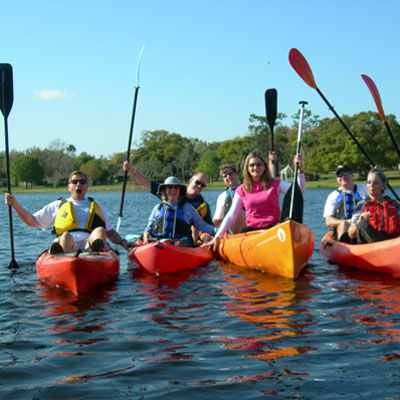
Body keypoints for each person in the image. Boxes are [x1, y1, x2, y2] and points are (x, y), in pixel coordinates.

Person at [4, 170, 135, 254]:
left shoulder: (96, 205)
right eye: (75, 182)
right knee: (66, 235)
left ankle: (97, 253)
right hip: (67, 243)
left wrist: (123, 242)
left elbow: (110, 232)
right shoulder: (59, 205)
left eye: (82, 182)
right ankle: (64, 259)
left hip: (89, 244)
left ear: (86, 186)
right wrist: (15, 204)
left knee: (100, 230)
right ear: (69, 187)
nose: (79, 184)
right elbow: (32, 221)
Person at [205, 149, 305, 250]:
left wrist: (300, 170)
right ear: (247, 168)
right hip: (251, 230)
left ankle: (293, 231)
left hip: (273, 229)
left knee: (294, 194)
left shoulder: (275, 184)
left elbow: (298, 192)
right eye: (252, 165)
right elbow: (231, 215)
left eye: (258, 164)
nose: (255, 168)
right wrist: (217, 236)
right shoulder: (242, 189)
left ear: (264, 166)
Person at [123, 161, 213, 242]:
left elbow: (205, 226)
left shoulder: (200, 206)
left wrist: (220, 232)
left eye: (203, 185)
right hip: (161, 242)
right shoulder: (159, 206)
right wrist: (132, 170)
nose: (199, 186)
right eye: (197, 182)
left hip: (183, 243)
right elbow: (147, 183)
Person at [143, 176, 217, 246]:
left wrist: (219, 231)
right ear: (165, 190)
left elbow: (202, 225)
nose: (173, 190)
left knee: (181, 243)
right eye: (169, 187)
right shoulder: (158, 208)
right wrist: (146, 233)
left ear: (180, 190)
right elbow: (149, 227)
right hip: (160, 243)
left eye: (176, 187)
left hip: (181, 245)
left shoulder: (187, 208)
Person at [348, 168, 400, 244]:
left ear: (384, 185)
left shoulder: (394, 203)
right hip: (370, 245)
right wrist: (359, 222)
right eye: (369, 182)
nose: (371, 185)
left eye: (375, 182)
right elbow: (351, 234)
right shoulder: (361, 204)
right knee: (362, 224)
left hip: (391, 242)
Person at [323, 164, 368, 243]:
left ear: (352, 175)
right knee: (343, 224)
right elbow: (328, 221)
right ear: (337, 179)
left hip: (362, 225)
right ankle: (344, 245)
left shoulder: (365, 188)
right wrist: (349, 222)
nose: (343, 177)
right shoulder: (333, 196)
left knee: (362, 224)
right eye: (339, 175)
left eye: (346, 173)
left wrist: (377, 172)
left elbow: (378, 192)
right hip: (344, 228)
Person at [212, 164, 245, 234]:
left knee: (241, 213)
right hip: (233, 232)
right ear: (223, 180)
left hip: (250, 227)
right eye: (225, 176)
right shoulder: (222, 197)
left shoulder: (248, 189)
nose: (228, 177)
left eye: (230, 174)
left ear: (236, 174)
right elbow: (217, 220)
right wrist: (203, 229)